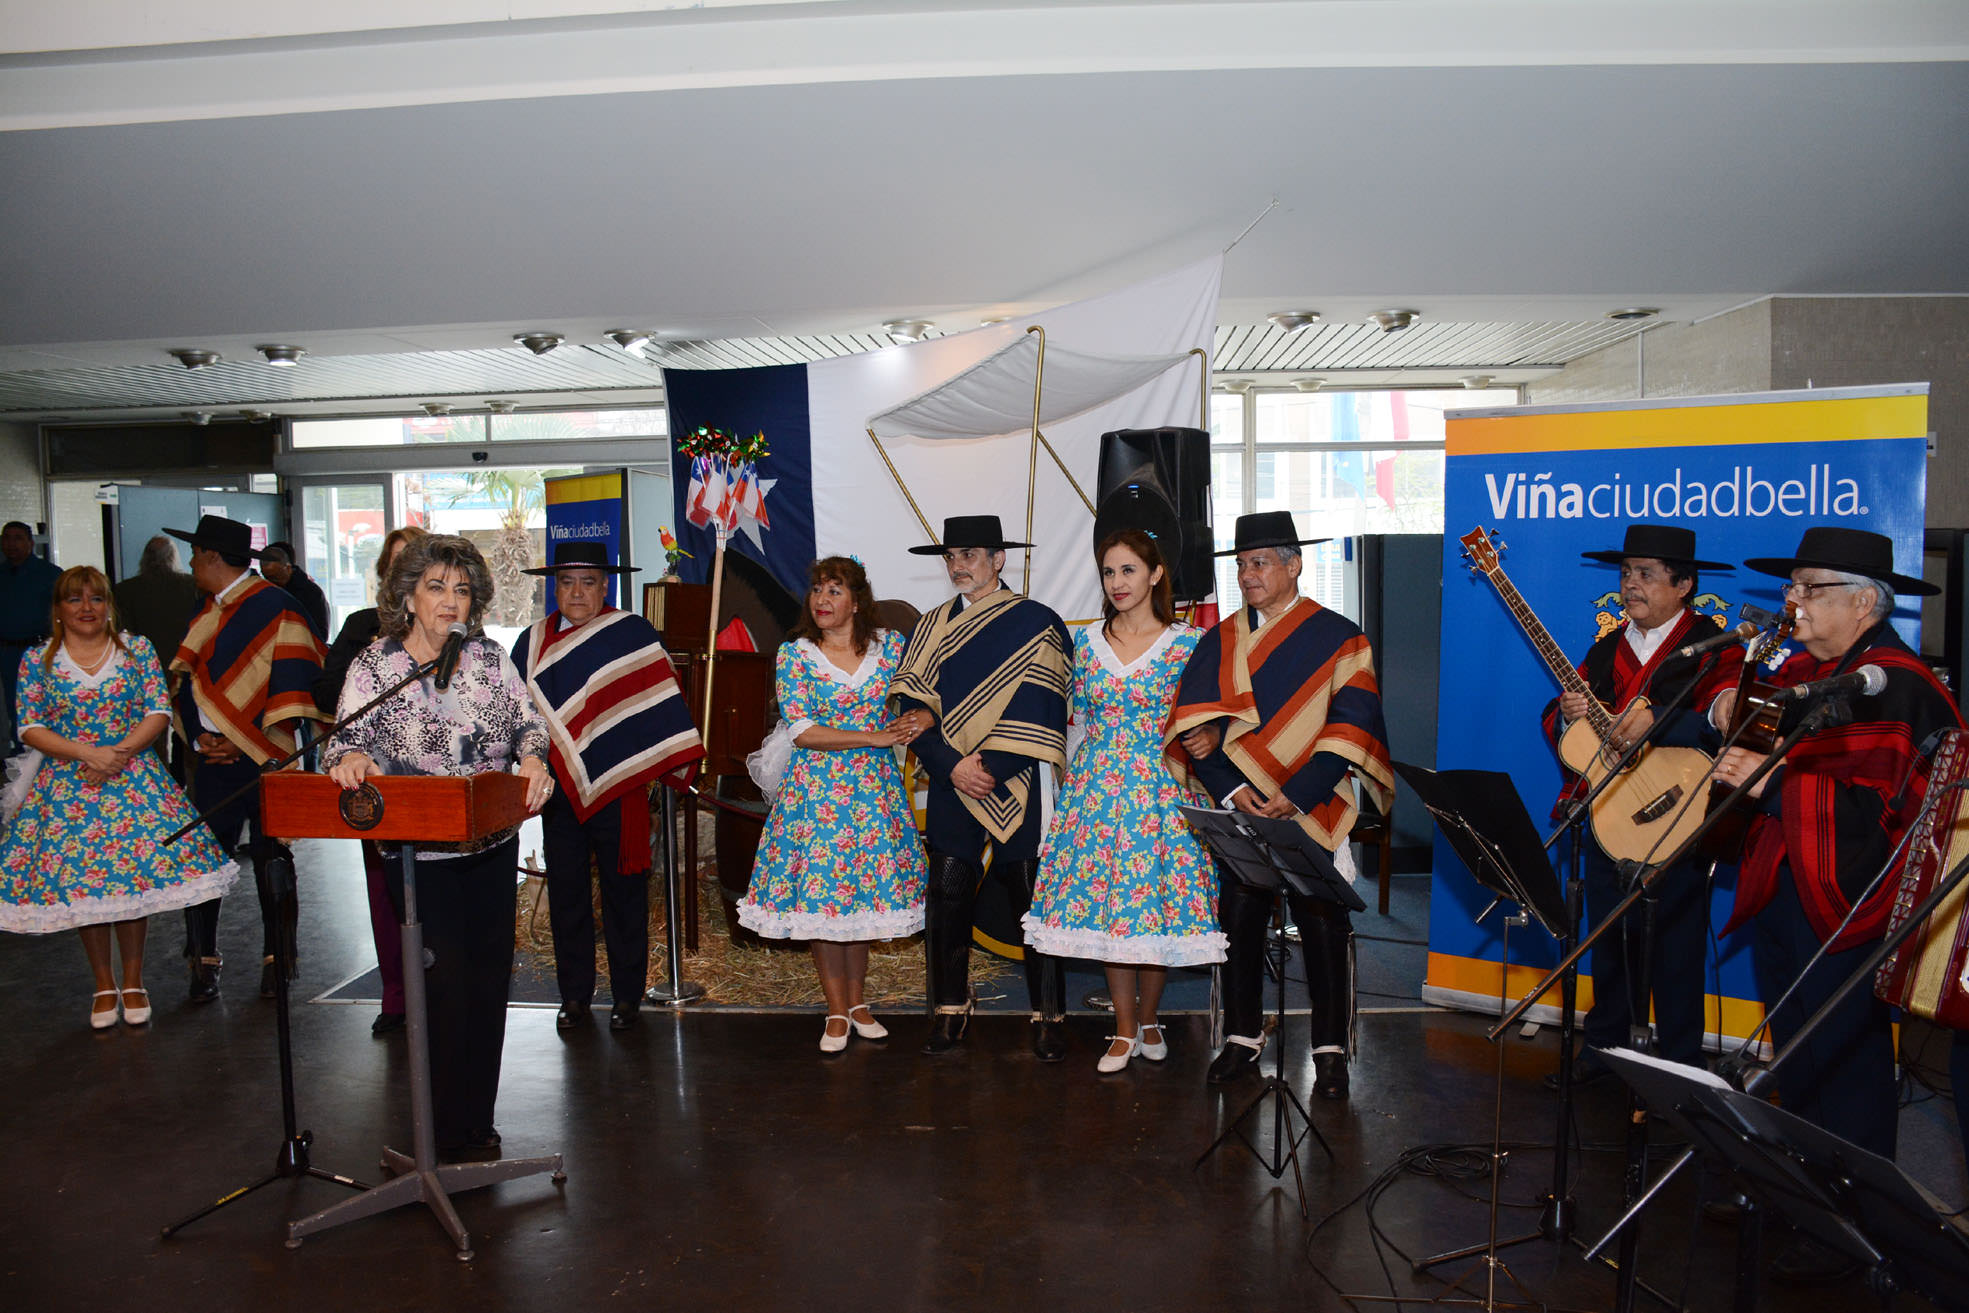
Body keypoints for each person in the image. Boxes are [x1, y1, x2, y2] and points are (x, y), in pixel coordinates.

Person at [1712, 526, 1959, 1283]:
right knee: (1797, 1054)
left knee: (1845, 1066)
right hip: (1791, 887)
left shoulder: (1901, 684)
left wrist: (1774, 785)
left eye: (1807, 587)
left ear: (1862, 601)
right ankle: (1805, 1199)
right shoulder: (1819, 675)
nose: (1791, 601)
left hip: (1857, 904)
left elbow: (1893, 821)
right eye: (1791, 587)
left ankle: (1863, 1231)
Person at [322, 533, 552, 1163]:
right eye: (436, 587)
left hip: (491, 847)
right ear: (408, 595)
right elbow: (342, 744)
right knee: (444, 989)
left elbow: (529, 723)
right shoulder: (375, 666)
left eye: (461, 588)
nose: (451, 600)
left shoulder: (487, 657)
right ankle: (440, 1129)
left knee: (485, 986)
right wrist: (351, 759)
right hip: (418, 861)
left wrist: (532, 756)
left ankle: (477, 1120)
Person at [1167, 511, 1394, 1099]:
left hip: (1310, 805)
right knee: (1238, 920)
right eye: (1241, 565)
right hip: (1241, 806)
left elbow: (1350, 728)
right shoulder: (1220, 639)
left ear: (1295, 565)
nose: (1247, 575)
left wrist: (1295, 796)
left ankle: (1332, 1048)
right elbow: (1196, 731)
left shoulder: (1342, 637)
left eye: (1260, 562)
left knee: (1323, 924)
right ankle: (1241, 1038)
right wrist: (1234, 789)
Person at [1540, 524, 1741, 1086]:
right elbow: (1568, 731)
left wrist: (1662, 724)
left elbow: (1729, 724)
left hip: (1680, 815)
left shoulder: (1717, 648)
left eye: (1646, 574)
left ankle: (1680, 1068)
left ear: (1684, 586)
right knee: (1607, 939)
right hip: (1612, 813)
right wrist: (1571, 711)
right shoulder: (1606, 648)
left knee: (1677, 947)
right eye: (1626, 573)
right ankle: (1604, 1050)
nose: (1630, 585)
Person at [0, 567, 239, 1027]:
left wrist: (118, 753)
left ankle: (134, 980)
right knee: (85, 887)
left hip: (131, 777)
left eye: (96, 599)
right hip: (69, 786)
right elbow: (28, 725)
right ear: (58, 610)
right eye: (75, 600)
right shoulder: (38, 660)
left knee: (132, 884)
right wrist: (88, 753)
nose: (86, 608)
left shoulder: (136, 650)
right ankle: (103, 984)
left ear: (109, 605)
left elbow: (156, 709)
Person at [1024, 529, 1225, 1074]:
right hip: (1097, 789)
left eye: (1129, 570)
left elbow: (1210, 719)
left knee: (1152, 909)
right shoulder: (1084, 644)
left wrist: (1210, 740)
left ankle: (1152, 1018)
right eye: (1109, 572)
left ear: (1156, 574)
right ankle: (1123, 1027)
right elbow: (1073, 719)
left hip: (1161, 791)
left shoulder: (1189, 644)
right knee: (1114, 912)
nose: (1117, 583)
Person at [891, 515, 1071, 1058]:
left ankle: (1049, 1014)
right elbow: (911, 705)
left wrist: (987, 764)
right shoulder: (929, 625)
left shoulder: (1039, 622)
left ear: (999, 560)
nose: (957, 566)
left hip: (1017, 773)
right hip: (952, 777)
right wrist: (950, 765)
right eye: (950, 557)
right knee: (946, 890)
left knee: (1029, 891)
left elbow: (1043, 703)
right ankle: (949, 1008)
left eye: (969, 554)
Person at [513, 540, 705, 1034]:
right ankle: (574, 996)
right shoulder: (531, 643)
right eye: (567, 581)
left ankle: (627, 996)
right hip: (559, 794)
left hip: (621, 791)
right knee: (570, 897)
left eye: (589, 581)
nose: (577, 592)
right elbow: (518, 716)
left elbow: (661, 704)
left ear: (606, 585)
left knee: (625, 896)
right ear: (555, 586)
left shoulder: (631, 634)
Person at [739, 556, 927, 1052]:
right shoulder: (795, 655)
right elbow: (803, 731)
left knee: (861, 900)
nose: (823, 600)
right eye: (818, 590)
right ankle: (836, 1011)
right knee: (823, 902)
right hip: (817, 796)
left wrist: (917, 720)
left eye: (835, 590)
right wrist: (873, 736)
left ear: (857, 600)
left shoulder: (891, 650)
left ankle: (860, 1003)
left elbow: (920, 697)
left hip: (874, 795)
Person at [165, 515, 327, 1003]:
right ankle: (202, 960)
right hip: (213, 763)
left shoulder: (279, 607)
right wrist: (199, 739)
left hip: (265, 759)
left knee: (271, 857)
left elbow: (297, 680)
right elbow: (190, 683)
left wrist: (244, 739)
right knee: (202, 861)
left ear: (214, 556)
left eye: (196, 554)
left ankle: (279, 960)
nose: (191, 562)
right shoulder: (205, 610)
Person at [311, 524, 427, 1035]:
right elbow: (324, 692)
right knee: (386, 895)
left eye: (417, 567)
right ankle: (396, 997)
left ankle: (440, 996)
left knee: (439, 899)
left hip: (433, 789)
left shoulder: (454, 631)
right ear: (385, 576)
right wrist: (377, 660)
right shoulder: (362, 627)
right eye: (397, 567)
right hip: (374, 786)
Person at [0, 520, 62, 751]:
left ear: (30, 542)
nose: (11, 544)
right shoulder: (2, 574)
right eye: (6, 538)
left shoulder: (49, 575)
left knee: (40, 707)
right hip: (6, 650)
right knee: (12, 708)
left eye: (17, 538)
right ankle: (17, 760)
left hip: (39, 650)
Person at [112, 536, 200, 692]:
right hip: (185, 670)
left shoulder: (124, 590)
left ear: (145, 559)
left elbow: (121, 635)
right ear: (173, 557)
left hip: (142, 673)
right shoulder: (194, 587)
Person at [258, 541, 330, 640]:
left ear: (288, 568)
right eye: (266, 577)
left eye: (275, 577)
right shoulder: (265, 591)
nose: (271, 581)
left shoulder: (311, 593)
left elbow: (320, 634)